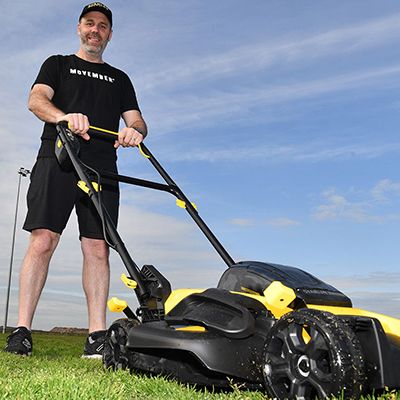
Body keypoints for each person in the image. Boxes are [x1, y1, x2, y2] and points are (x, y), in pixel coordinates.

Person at [4, 2, 147, 358]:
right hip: (58, 158)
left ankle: (96, 335)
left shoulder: (120, 78)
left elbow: (138, 120)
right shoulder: (57, 64)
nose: (95, 30)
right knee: (43, 240)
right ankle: (22, 330)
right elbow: (36, 100)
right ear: (79, 28)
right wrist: (64, 117)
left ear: (110, 34)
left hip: (103, 166)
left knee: (97, 247)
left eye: (102, 25)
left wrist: (134, 131)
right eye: (89, 23)